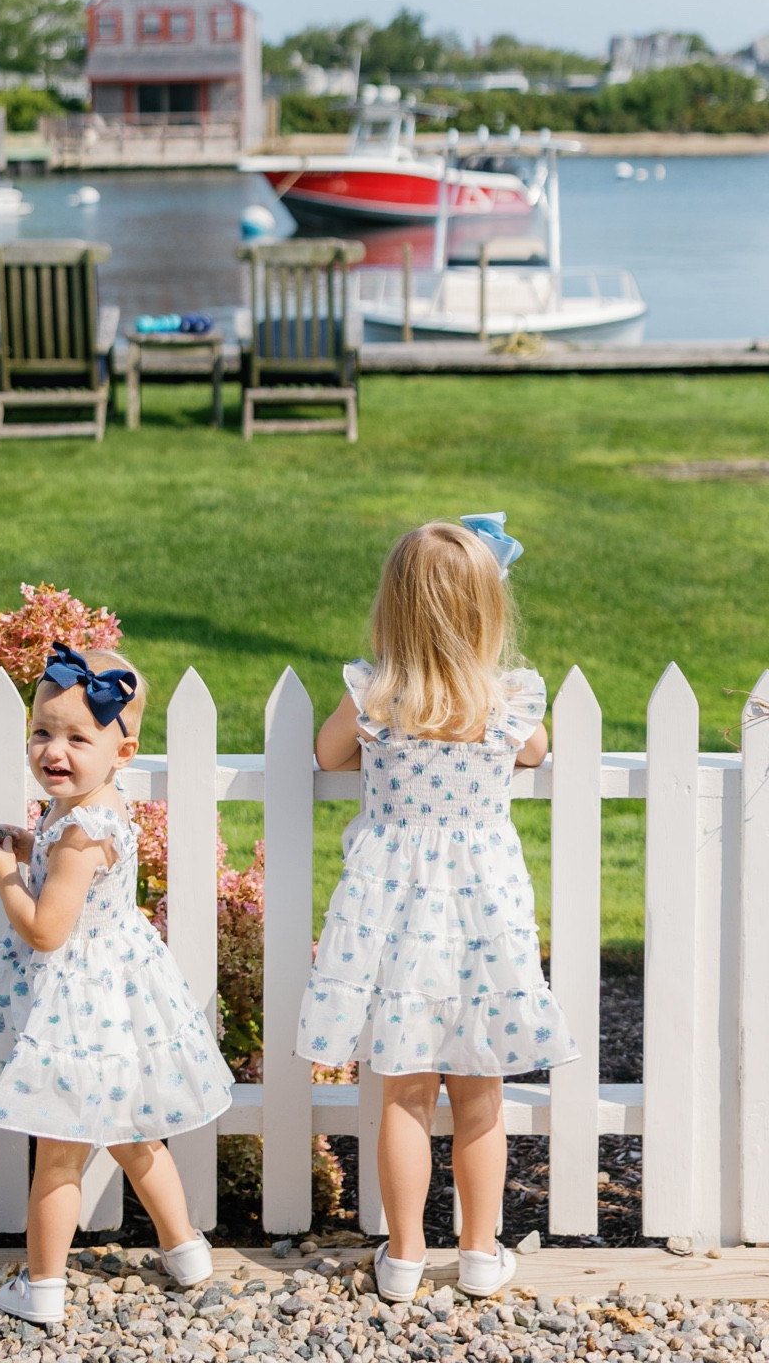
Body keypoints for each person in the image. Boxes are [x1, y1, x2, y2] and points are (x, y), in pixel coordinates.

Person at [298, 516, 577, 1305]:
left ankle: (405, 1253)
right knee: (481, 1089)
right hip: (482, 914)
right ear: (490, 613)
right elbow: (537, 748)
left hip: (396, 915)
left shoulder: (375, 697)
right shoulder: (507, 701)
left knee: (406, 1091)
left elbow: (325, 756)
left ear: (394, 610)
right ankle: (482, 1251)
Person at [0, 643, 233, 1325]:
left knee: (58, 1155)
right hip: (117, 998)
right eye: (43, 732)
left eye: (78, 736)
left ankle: (43, 1287)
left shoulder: (81, 831)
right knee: (136, 1137)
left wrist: (6, 878)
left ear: (122, 750)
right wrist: (32, 846)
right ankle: (187, 1250)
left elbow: (46, 931)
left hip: (78, 1010)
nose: (55, 750)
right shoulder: (90, 807)